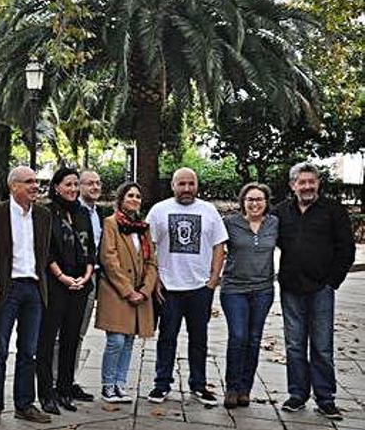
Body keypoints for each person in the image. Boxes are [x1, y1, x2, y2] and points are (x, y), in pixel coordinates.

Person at [275, 162, 354, 419]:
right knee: (294, 344)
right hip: (291, 288)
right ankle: (297, 394)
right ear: (292, 185)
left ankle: (325, 398)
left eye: (312, 181)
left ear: (318, 183)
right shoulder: (281, 213)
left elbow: (346, 249)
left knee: (322, 345)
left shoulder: (333, 210)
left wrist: (333, 281)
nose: (307, 186)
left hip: (321, 288)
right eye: (302, 182)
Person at [145, 168, 227, 406]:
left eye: (191, 183)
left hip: (200, 287)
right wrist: (155, 279)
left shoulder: (208, 211)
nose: (187, 188)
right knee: (167, 337)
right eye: (182, 184)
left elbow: (219, 245)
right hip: (169, 288)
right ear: (173, 186)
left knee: (199, 338)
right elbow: (148, 246)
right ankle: (161, 385)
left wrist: (213, 280)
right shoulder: (159, 211)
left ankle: (199, 385)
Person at [0, 166, 53, 426]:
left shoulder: (44, 216)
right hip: (7, 288)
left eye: (36, 181)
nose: (35, 186)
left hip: (34, 288)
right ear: (13, 186)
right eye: (29, 182)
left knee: (29, 350)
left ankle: (24, 404)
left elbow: (44, 253)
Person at [37, 167, 95, 414]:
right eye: (67, 185)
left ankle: (64, 388)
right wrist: (62, 277)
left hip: (80, 284)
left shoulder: (83, 213)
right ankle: (46, 393)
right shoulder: (47, 212)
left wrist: (86, 276)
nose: (72, 189)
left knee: (72, 338)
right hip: (55, 284)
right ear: (57, 186)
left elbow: (91, 247)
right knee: (48, 340)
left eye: (75, 185)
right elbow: (46, 250)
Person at [95, 182, 158, 403]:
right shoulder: (110, 223)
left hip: (140, 292)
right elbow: (109, 259)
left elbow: (151, 261)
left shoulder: (144, 227)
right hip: (116, 291)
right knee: (116, 341)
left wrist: (145, 290)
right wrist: (128, 291)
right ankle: (107, 385)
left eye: (138, 196)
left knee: (130, 340)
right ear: (120, 199)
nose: (134, 199)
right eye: (130, 195)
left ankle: (120, 384)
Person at [220, 183, 278, 409]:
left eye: (259, 199)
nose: (255, 203)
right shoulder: (230, 224)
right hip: (234, 289)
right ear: (243, 202)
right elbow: (214, 247)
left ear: (266, 202)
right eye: (250, 199)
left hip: (263, 290)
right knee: (238, 336)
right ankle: (232, 387)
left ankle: (245, 389)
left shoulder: (274, 224)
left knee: (254, 339)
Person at [72, 169, 105, 402]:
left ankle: (69, 379)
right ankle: (54, 379)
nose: (94, 187)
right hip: (73, 278)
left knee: (80, 332)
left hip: (94, 276)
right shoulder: (72, 212)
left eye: (97, 183)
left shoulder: (98, 214)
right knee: (64, 332)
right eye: (89, 183)